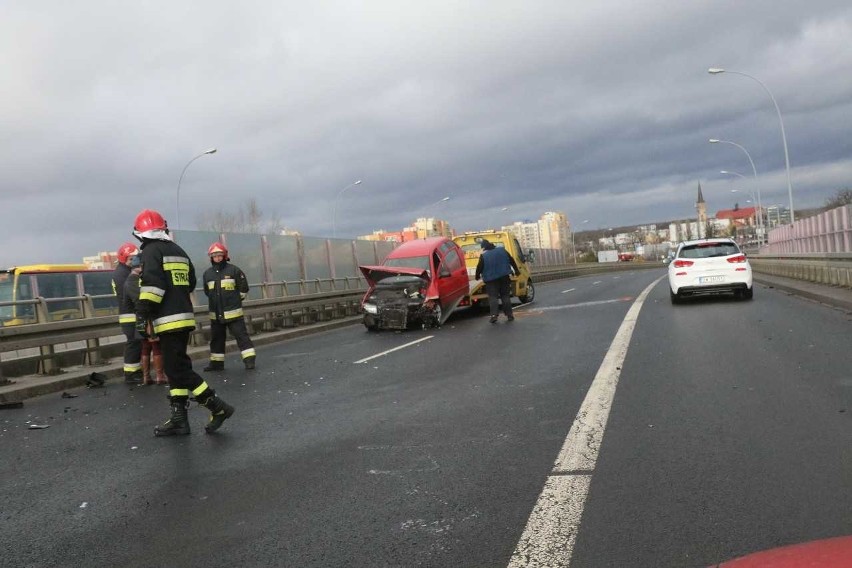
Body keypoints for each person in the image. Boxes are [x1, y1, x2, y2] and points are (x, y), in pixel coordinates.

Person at [132, 209, 234, 436]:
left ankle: (217, 407)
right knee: (173, 367)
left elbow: (152, 286)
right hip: (183, 316)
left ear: (141, 233)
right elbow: (190, 281)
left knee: (179, 370)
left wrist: (142, 314)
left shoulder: (150, 251)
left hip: (167, 320)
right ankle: (179, 418)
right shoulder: (178, 250)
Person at [202, 242, 257, 371]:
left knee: (241, 337)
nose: (217, 258)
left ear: (225, 256)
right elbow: (207, 291)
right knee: (216, 340)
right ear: (211, 257)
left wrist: (236, 300)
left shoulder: (234, 270)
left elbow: (244, 288)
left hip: (233, 313)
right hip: (216, 314)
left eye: (219, 255)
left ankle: (249, 360)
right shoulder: (207, 274)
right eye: (214, 255)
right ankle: (216, 363)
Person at [124, 255, 167, 385]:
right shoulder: (138, 280)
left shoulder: (129, 281)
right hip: (149, 316)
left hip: (140, 316)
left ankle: (146, 377)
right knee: (155, 345)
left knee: (145, 347)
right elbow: (148, 297)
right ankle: (159, 375)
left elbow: (131, 302)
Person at [112, 242, 142, 384]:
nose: (134, 261)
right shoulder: (123, 274)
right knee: (133, 342)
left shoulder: (122, 272)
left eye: (135, 258)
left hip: (128, 313)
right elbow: (132, 293)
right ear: (124, 259)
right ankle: (131, 374)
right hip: (129, 314)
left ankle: (135, 371)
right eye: (131, 259)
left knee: (135, 342)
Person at [475, 239, 519, 324]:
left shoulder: (484, 256)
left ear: (484, 248)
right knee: (505, 296)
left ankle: (494, 316)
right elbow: (511, 260)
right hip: (504, 277)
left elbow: (479, 267)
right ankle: (509, 315)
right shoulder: (502, 250)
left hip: (491, 280)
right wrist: (516, 270)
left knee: (493, 297)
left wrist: (477, 276)